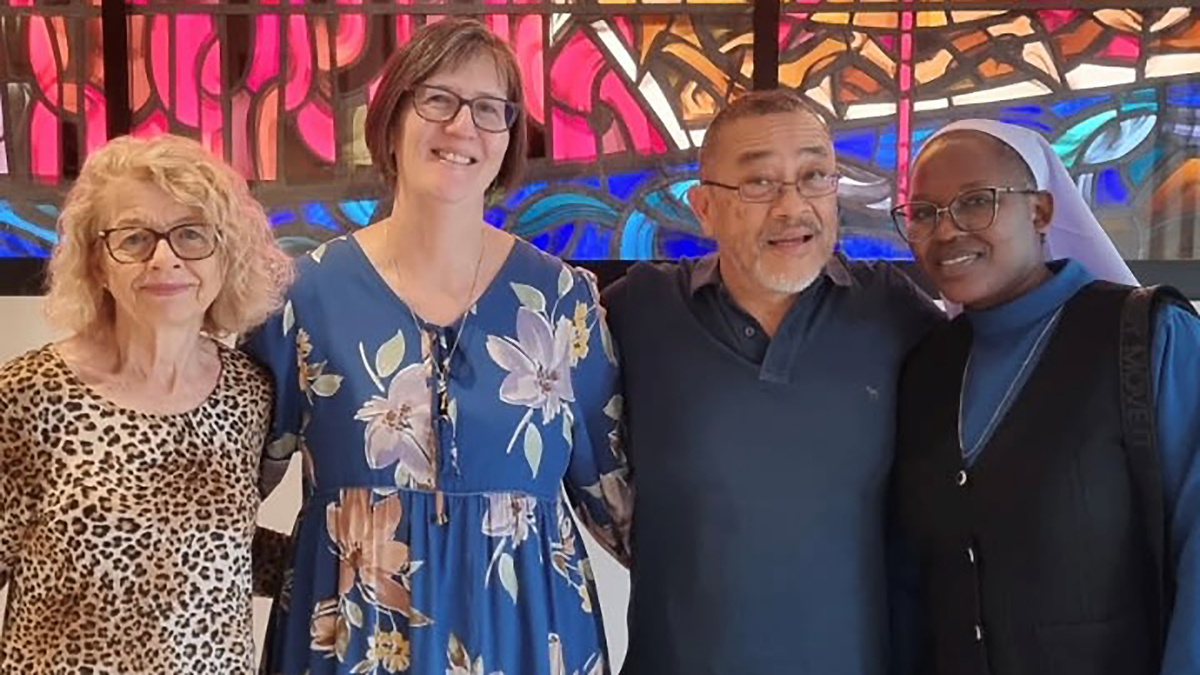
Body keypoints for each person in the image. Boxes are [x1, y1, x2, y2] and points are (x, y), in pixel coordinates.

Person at [244, 18, 632, 675]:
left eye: (489, 108)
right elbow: (228, 488)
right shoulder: (301, 296)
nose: (462, 127)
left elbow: (619, 501)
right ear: (392, 118)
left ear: (509, 138)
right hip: (353, 635)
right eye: (438, 99)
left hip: (527, 631)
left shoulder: (561, 298)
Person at [601, 89, 944, 675]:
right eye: (759, 183)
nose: (793, 206)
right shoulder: (640, 311)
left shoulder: (892, 312)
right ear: (704, 208)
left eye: (815, 176)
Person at [890, 119, 1200, 675]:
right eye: (923, 213)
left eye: (976, 203)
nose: (946, 231)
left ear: (1041, 212)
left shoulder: (1149, 337)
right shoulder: (928, 367)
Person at [0, 134, 293, 673]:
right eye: (134, 238)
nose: (164, 258)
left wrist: (325, 558)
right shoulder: (30, 395)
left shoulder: (250, 392)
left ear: (225, 256)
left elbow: (210, 548)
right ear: (97, 263)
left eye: (191, 236)